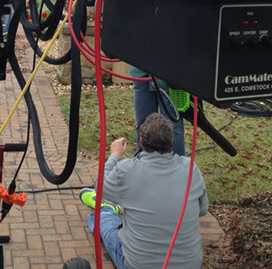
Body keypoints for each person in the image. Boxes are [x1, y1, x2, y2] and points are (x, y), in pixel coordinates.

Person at [79, 113, 208, 269]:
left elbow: (100, 188)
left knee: (103, 218)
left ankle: (107, 209)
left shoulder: (126, 170)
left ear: (141, 141)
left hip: (136, 265)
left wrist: (114, 155)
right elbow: (202, 210)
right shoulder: (191, 169)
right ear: (171, 142)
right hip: (190, 265)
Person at [130, 65, 185, 156]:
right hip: (140, 70)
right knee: (143, 124)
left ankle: (176, 161)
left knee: (173, 125)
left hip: (169, 73)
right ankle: (143, 161)